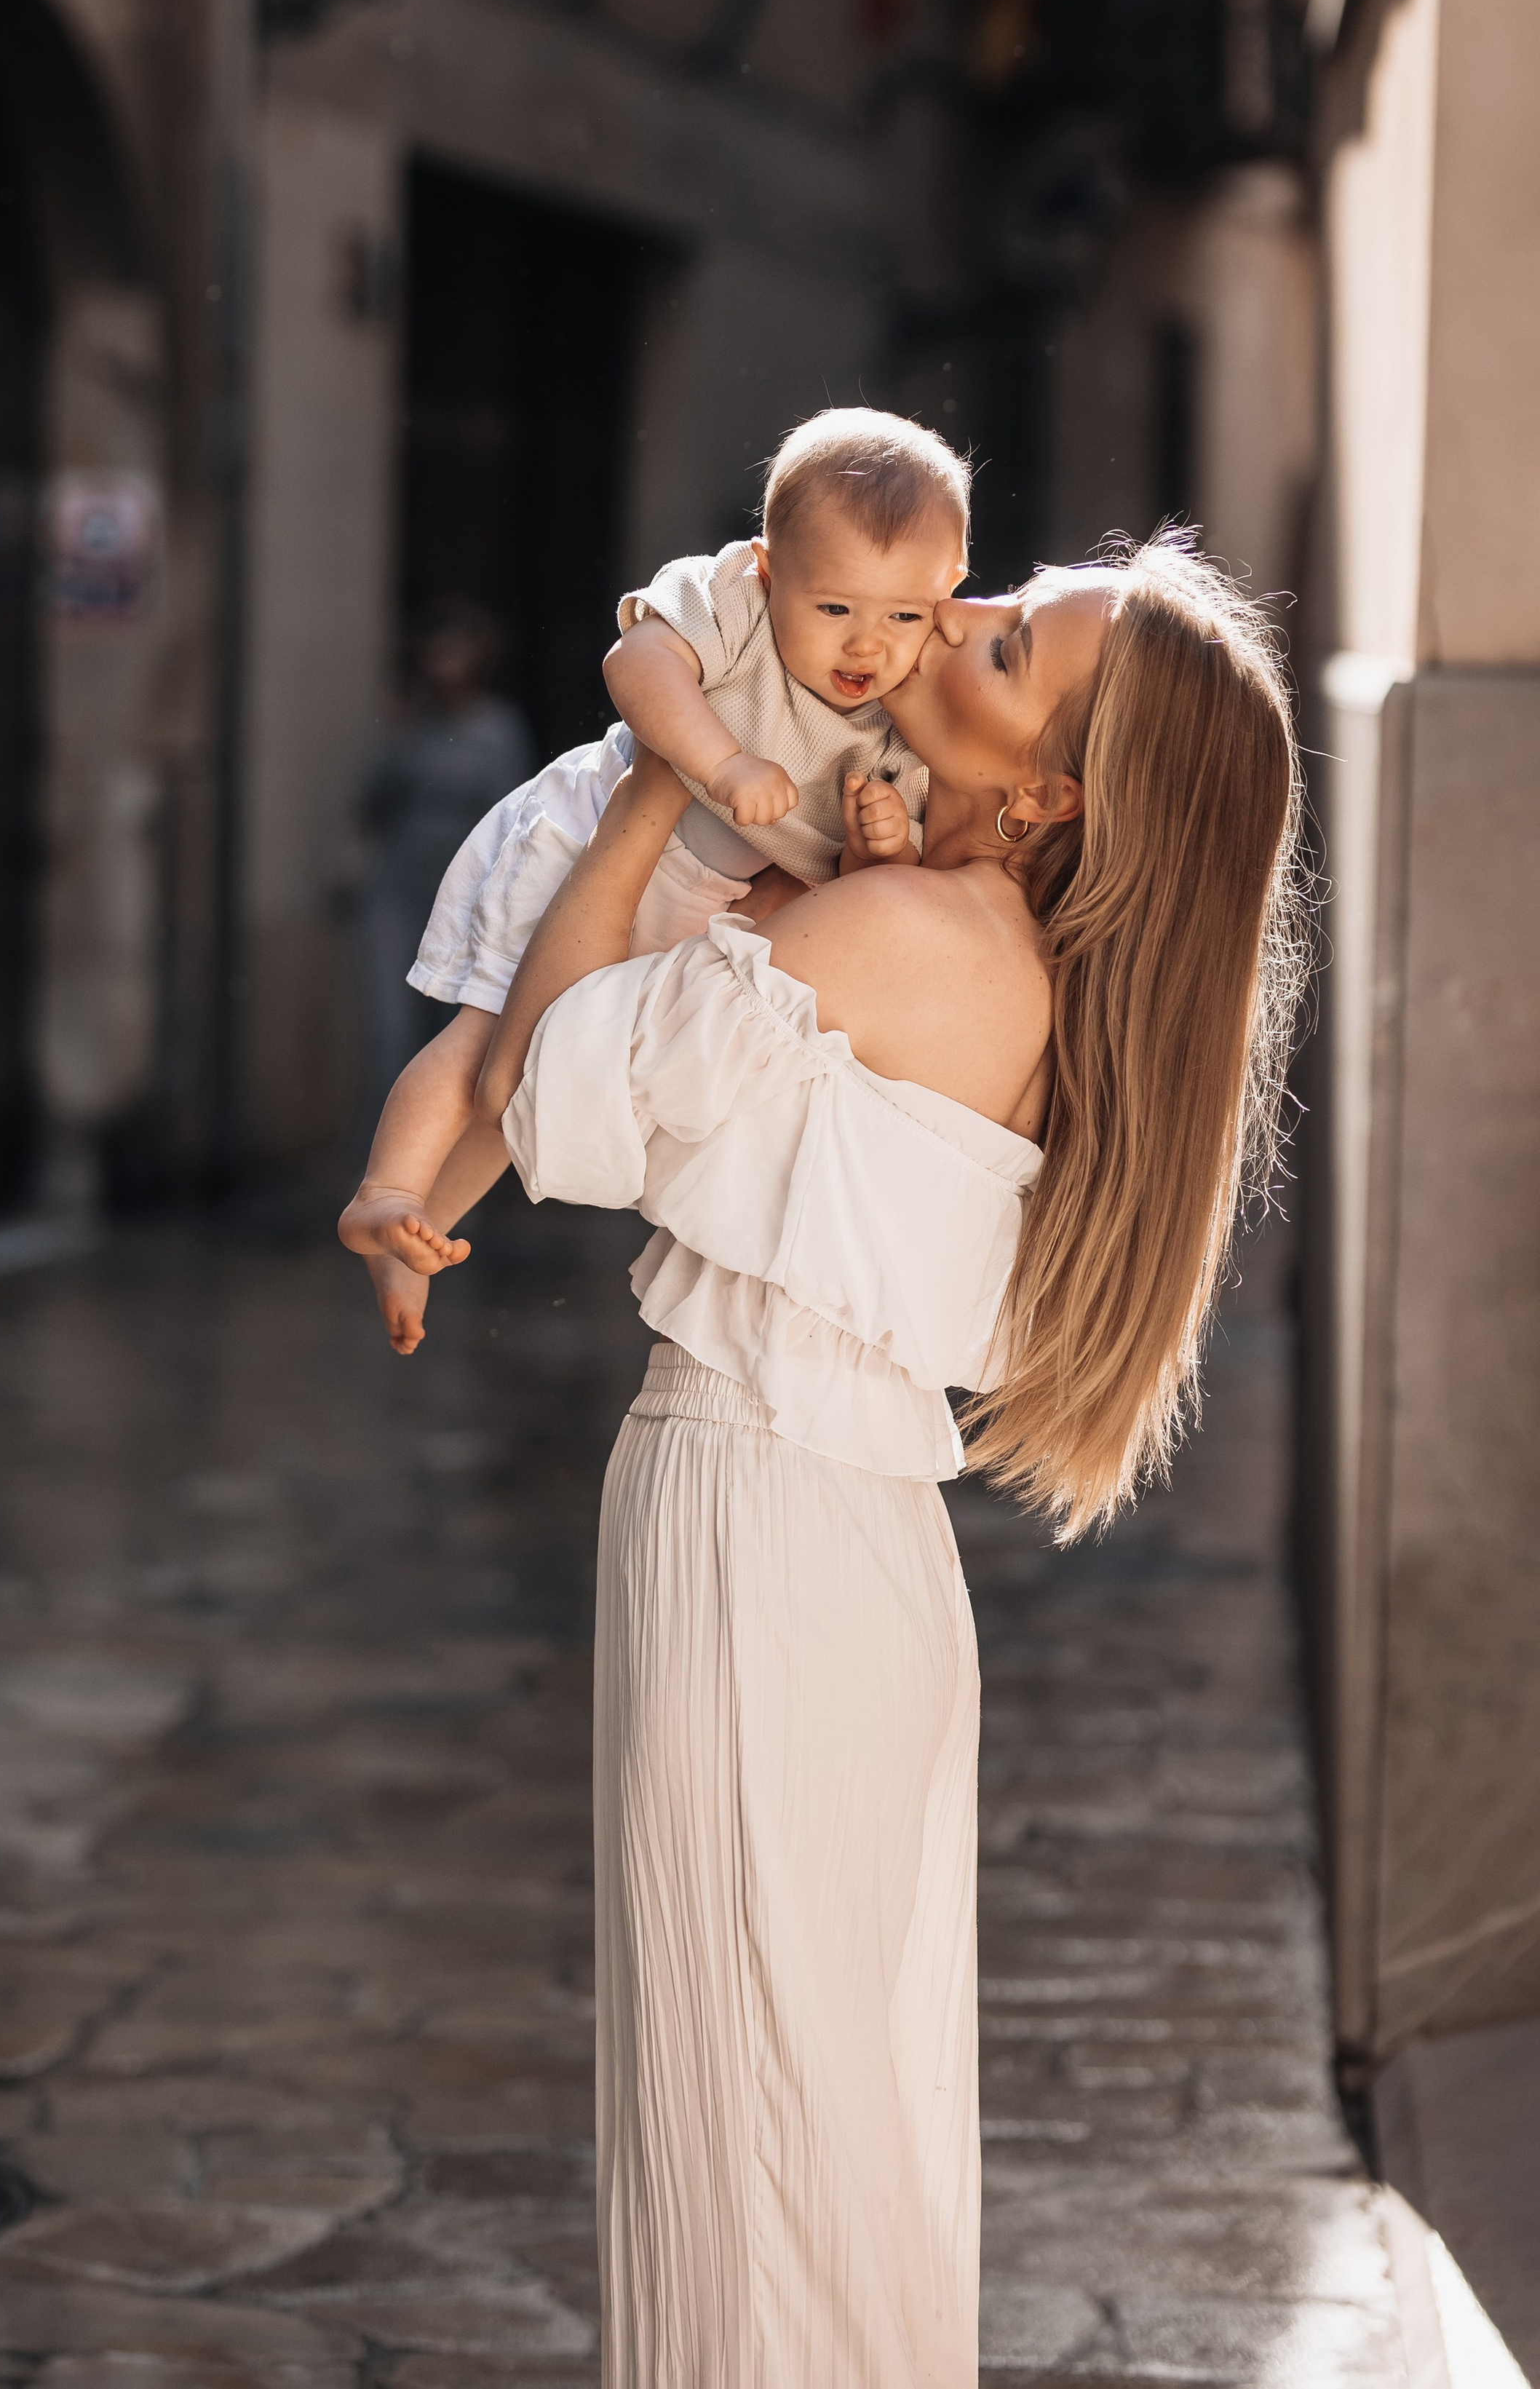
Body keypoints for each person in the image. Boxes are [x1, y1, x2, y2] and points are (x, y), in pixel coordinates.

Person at [432, 535, 1307, 2383]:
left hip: (757, 1533)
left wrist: (664, 769)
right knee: (814, 2148)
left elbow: (548, 1089)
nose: (935, 628)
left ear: (1046, 790)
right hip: (829, 1545)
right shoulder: (964, 935)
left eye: (993, 646)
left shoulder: (899, 933)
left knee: (748, 2160)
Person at [338, 408, 972, 1350]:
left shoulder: (898, 727)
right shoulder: (738, 608)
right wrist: (718, 760)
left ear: (948, 595)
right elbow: (637, 661)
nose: (864, 647)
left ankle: (416, 1234)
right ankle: (384, 1189)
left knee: (530, 1089)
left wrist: (881, 844)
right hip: (588, 835)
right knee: (485, 1037)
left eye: (904, 617)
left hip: (687, 903)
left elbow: (869, 889)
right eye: (834, 608)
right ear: (768, 569)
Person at [349, 600, 534, 1144]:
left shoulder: (497, 730)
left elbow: (514, 813)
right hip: (399, 891)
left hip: (465, 892)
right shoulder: (410, 725)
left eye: (457, 649)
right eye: (437, 649)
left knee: (452, 1030)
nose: (445, 662)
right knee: (388, 1029)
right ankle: (375, 1159)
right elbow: (369, 803)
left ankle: (437, 1158)